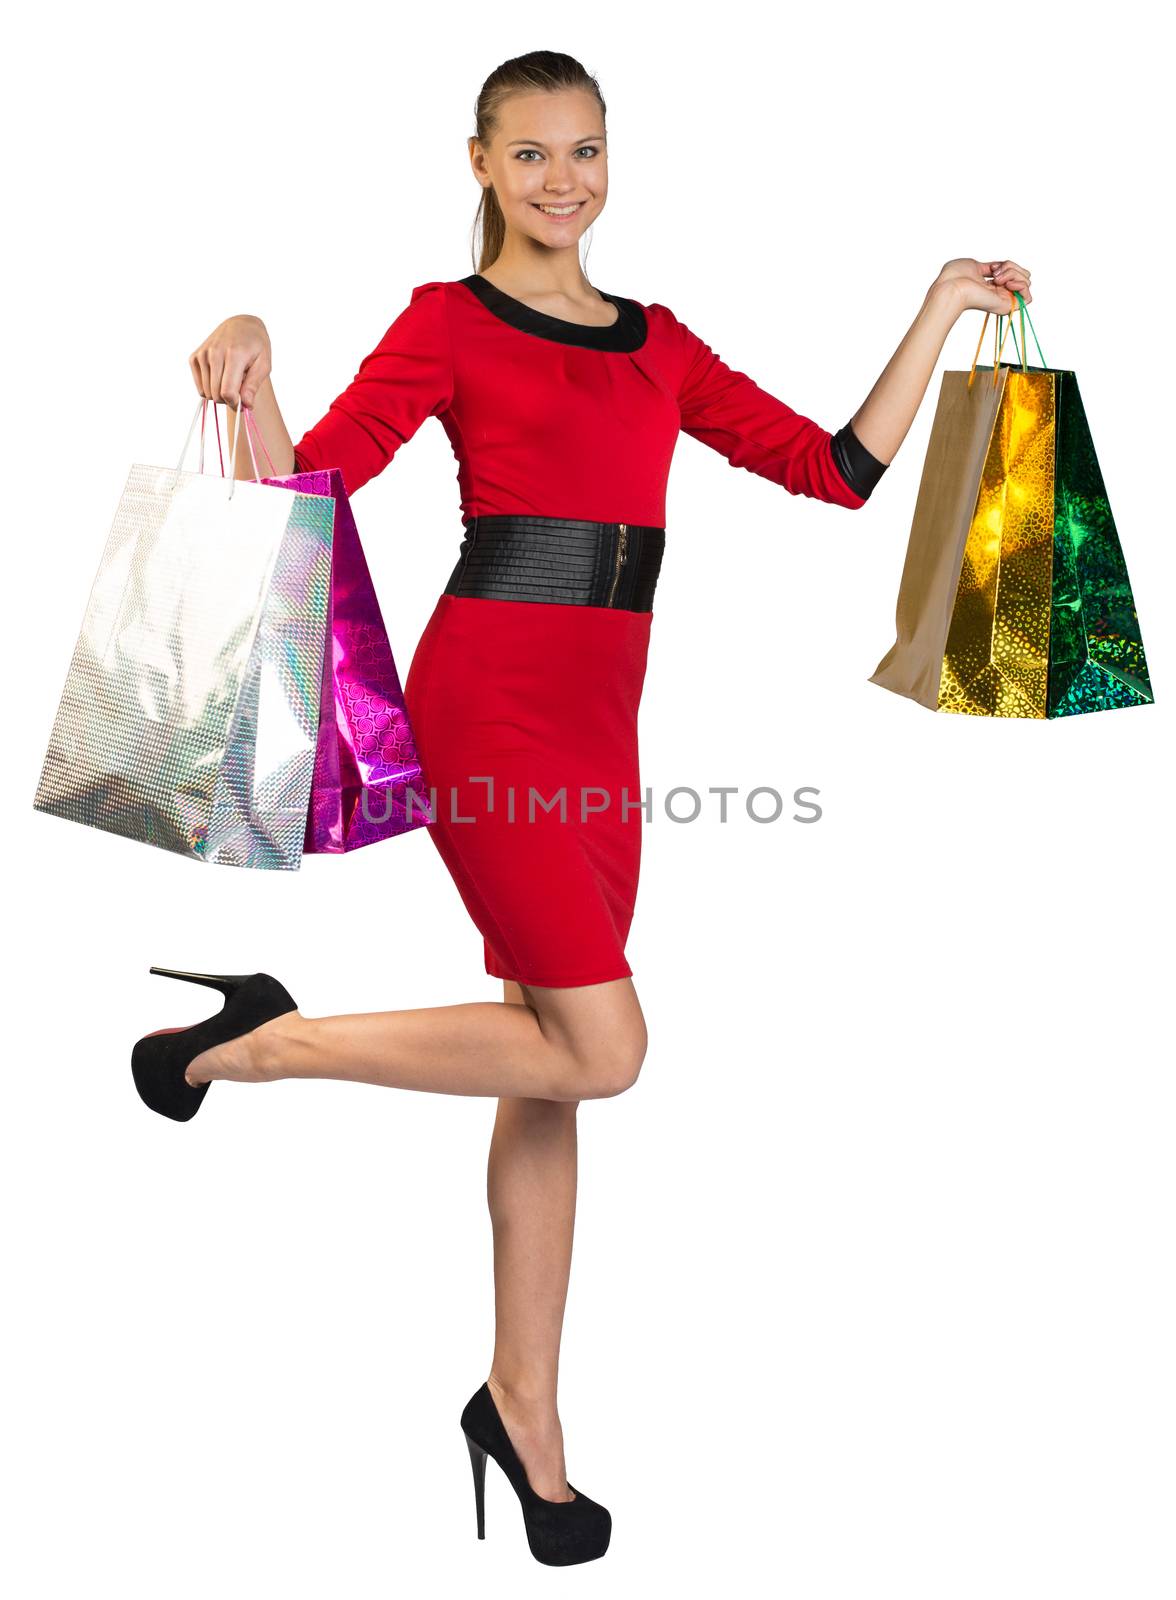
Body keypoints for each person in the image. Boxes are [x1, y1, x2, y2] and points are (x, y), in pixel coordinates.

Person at [132, 49, 1032, 1567]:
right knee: (604, 1045)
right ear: (480, 162)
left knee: (548, 1065)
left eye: (589, 152)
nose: (566, 181)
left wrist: (944, 304)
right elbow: (309, 489)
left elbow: (835, 470)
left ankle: (524, 1409)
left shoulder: (657, 345)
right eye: (534, 154)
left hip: (605, 733)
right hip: (488, 696)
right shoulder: (447, 324)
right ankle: (261, 1043)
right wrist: (255, 351)